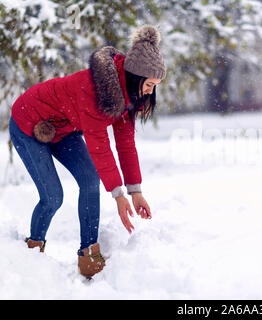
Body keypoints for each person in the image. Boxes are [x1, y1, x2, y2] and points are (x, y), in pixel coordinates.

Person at [8, 25, 166, 278]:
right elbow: (100, 147)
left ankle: (89, 257)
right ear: (136, 77)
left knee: (90, 181)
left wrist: (134, 191)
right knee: (52, 197)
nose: (151, 91)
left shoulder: (127, 99)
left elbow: (125, 145)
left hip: (63, 127)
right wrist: (118, 195)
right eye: (149, 84)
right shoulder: (96, 92)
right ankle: (31, 253)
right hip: (28, 122)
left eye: (155, 85)